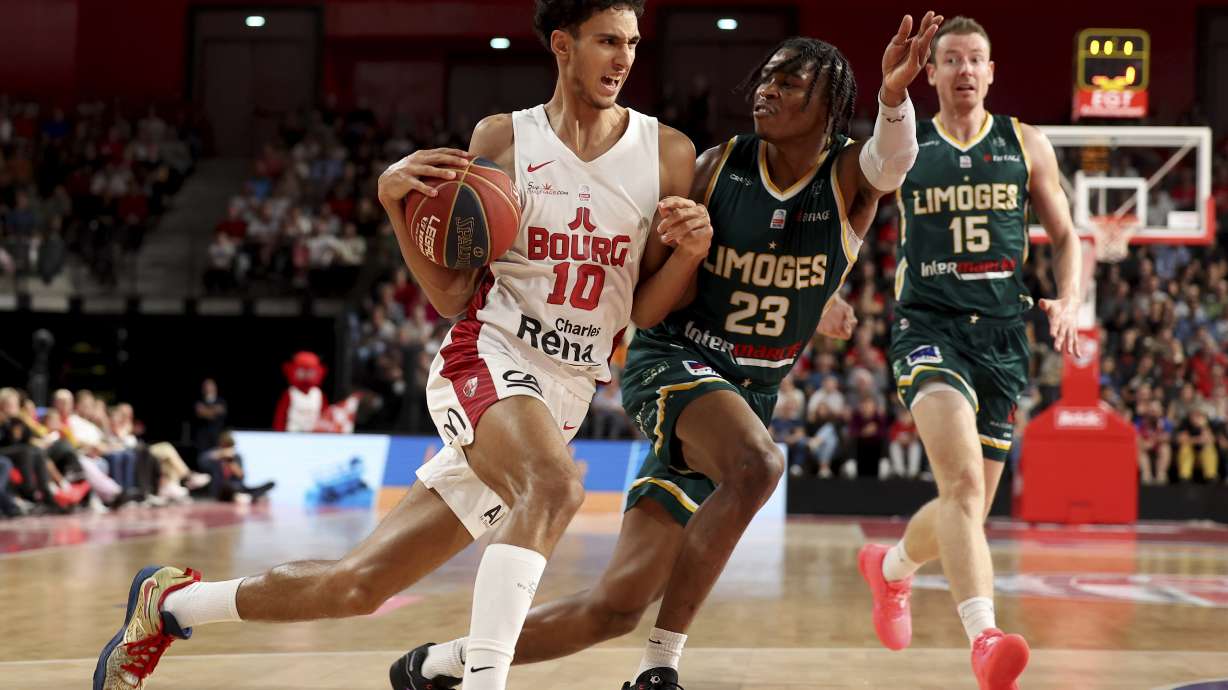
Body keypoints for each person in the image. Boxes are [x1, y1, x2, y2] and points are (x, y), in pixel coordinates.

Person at [94, 3, 710, 690]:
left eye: (632, 43)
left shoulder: (667, 153)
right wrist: (396, 206)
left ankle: (172, 605)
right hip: (491, 356)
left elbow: (643, 309)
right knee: (556, 485)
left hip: (566, 391)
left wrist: (689, 254)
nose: (623, 58)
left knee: (358, 586)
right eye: (607, 41)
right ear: (563, 46)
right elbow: (451, 295)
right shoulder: (505, 138)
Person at [397, 13, 940, 690]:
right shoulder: (714, 166)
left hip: (745, 395)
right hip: (674, 361)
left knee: (615, 606)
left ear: (830, 106)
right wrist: (680, 243)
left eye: (788, 82)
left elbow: (893, 160)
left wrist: (893, 97)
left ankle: (442, 661)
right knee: (759, 464)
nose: (766, 89)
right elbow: (652, 274)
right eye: (766, 77)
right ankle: (660, 668)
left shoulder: (848, 179)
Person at [856, 16, 1083, 690]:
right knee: (959, 488)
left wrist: (1070, 298)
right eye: (951, 58)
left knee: (969, 514)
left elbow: (1066, 235)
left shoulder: (1025, 143)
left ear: (991, 71)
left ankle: (889, 570)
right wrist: (833, 292)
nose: (963, 69)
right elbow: (851, 213)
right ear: (931, 72)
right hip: (928, 327)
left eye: (975, 58)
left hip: (1003, 338)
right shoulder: (907, 144)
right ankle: (985, 638)